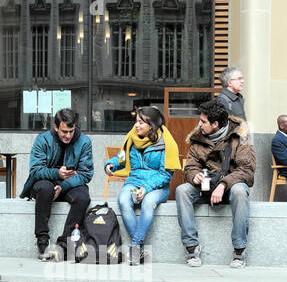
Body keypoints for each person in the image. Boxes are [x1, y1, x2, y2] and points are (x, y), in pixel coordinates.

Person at [176, 99, 255, 268]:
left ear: (215, 124)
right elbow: (190, 166)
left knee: (241, 191)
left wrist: (224, 184)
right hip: (205, 185)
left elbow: (247, 170)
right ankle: (191, 246)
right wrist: (194, 175)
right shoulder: (198, 139)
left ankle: (239, 250)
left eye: (203, 121)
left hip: (230, 185)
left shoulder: (240, 137)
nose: (199, 124)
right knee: (182, 190)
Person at [104, 106, 179, 265]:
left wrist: (147, 188)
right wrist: (111, 164)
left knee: (147, 202)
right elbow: (121, 158)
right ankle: (138, 247)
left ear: (151, 125)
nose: (136, 125)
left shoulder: (165, 143)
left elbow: (166, 174)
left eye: (141, 123)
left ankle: (135, 245)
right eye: (136, 122)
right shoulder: (132, 138)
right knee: (123, 200)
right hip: (134, 181)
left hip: (157, 186)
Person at [22, 108, 95, 260]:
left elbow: (86, 174)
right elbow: (35, 170)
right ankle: (42, 242)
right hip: (46, 180)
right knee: (44, 188)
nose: (68, 135)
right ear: (56, 127)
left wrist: (63, 185)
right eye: (64, 131)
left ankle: (64, 243)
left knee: (83, 198)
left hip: (69, 183)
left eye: (71, 131)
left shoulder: (85, 142)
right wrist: (57, 173)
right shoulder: (43, 139)